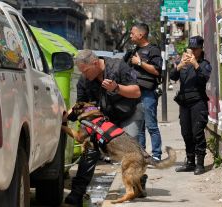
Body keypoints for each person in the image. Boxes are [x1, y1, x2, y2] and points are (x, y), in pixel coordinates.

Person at [64, 49, 145, 205]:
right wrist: (64, 117)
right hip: (104, 121)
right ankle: (78, 191)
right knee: (90, 151)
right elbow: (80, 106)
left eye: (85, 71)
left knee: (131, 149)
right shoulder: (84, 80)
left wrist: (116, 88)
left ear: (95, 63)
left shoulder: (118, 66)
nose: (84, 75)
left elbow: (136, 92)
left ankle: (137, 182)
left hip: (129, 113)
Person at [170, 36, 212, 175]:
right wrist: (179, 65)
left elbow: (203, 78)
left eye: (195, 49)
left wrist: (195, 64)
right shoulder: (184, 64)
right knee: (186, 133)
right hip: (184, 103)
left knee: (197, 133)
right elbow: (172, 77)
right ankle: (190, 162)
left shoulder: (204, 64)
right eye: (191, 48)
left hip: (198, 102)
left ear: (200, 49)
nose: (192, 51)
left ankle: (200, 164)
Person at [126, 23, 163, 160]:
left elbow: (156, 71)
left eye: (132, 33)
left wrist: (140, 63)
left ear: (141, 35)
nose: (130, 35)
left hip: (148, 92)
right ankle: (142, 155)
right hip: (134, 92)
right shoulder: (133, 51)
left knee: (151, 125)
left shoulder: (153, 50)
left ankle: (157, 155)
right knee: (139, 126)